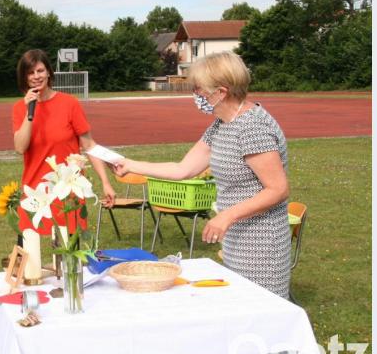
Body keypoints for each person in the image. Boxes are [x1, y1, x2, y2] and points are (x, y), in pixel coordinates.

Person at [114, 51, 292, 298]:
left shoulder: (253, 127)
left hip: (260, 246)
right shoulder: (221, 125)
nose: (195, 95)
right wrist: (131, 164)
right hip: (236, 239)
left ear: (221, 92)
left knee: (257, 313)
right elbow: (183, 168)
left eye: (199, 89)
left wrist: (227, 216)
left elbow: (278, 189)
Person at [12, 49, 116, 216]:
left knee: (68, 241)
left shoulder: (69, 104)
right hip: (36, 193)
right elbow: (20, 148)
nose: (36, 76)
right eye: (30, 72)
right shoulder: (20, 109)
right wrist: (28, 113)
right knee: (36, 242)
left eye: (40, 70)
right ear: (24, 77)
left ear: (48, 73)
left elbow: (89, 145)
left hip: (68, 192)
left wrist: (105, 182)